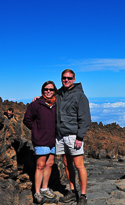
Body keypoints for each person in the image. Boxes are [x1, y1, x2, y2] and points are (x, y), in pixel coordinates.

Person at [56, 69, 91, 205]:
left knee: (79, 165)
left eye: (69, 78)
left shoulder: (80, 96)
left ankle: (83, 195)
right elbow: (48, 99)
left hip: (73, 136)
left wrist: (80, 137)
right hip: (60, 135)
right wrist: (38, 99)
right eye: (64, 78)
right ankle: (72, 191)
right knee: (66, 163)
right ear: (61, 79)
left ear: (74, 79)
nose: (66, 80)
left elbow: (85, 119)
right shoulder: (59, 94)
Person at [23, 81, 57, 204]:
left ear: (55, 91)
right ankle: (37, 192)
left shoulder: (56, 104)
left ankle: (44, 188)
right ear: (42, 91)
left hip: (53, 140)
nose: (48, 91)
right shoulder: (36, 104)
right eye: (46, 89)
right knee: (40, 165)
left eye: (51, 89)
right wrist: (37, 129)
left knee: (50, 164)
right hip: (41, 140)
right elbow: (27, 120)